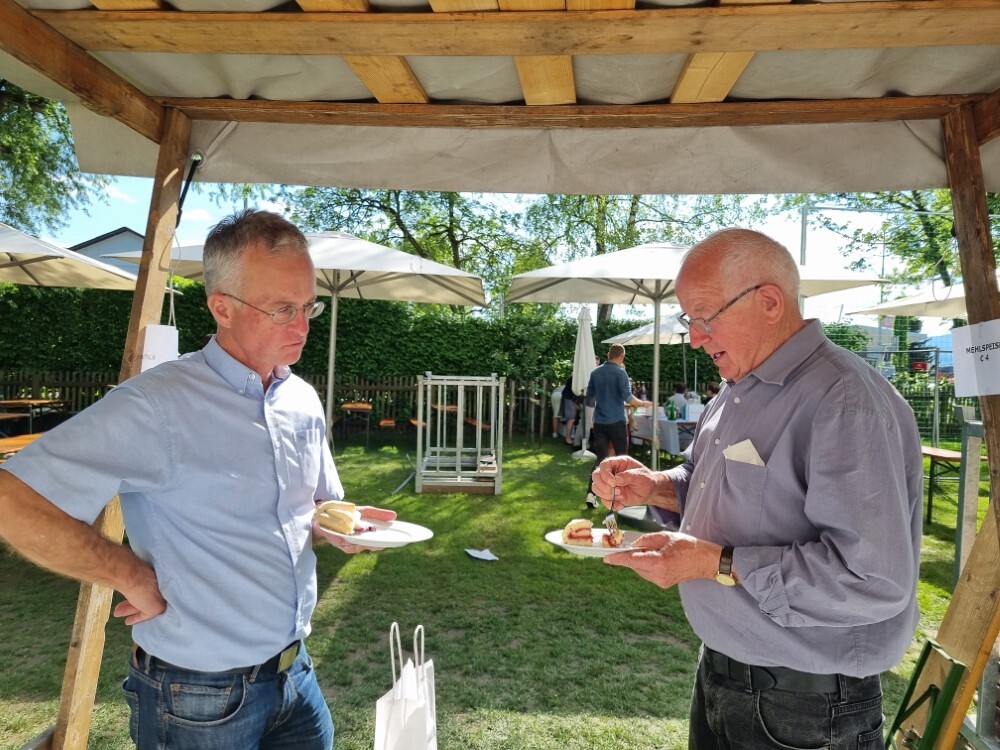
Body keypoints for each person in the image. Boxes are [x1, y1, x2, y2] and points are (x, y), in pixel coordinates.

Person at [0, 209, 396, 750]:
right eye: (283, 309)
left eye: (309, 306)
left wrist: (336, 525)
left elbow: (301, 511)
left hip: (295, 674)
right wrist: (129, 574)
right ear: (222, 308)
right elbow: (12, 500)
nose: (302, 326)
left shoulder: (300, 397)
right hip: (196, 696)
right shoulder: (156, 405)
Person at [591, 228, 922, 750]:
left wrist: (715, 564)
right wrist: (653, 487)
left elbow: (872, 580)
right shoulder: (736, 388)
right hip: (724, 674)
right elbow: (707, 484)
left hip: (806, 706)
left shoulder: (843, 399)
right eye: (688, 320)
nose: (695, 338)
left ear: (769, 302)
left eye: (704, 317)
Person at [583, 343, 651, 508]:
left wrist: (590, 420)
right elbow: (628, 398)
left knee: (601, 458)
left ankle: (591, 494)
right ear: (621, 357)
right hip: (617, 422)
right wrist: (644, 404)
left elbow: (589, 398)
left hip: (599, 422)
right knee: (622, 459)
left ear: (608, 355)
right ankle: (622, 497)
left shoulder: (595, 372)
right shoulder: (621, 372)